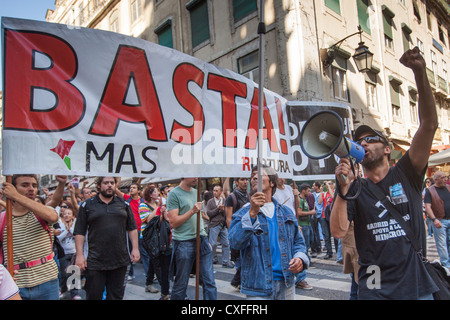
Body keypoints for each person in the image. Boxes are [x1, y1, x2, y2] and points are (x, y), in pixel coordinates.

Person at [330, 47, 439, 299]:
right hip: (376, 285)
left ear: (388, 148)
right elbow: (337, 231)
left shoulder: (407, 172)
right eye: (359, 142)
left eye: (370, 138)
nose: (364, 143)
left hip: (415, 284)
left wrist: (420, 72)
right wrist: (342, 190)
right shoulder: (355, 188)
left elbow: (429, 124)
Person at [229, 165, 309, 300]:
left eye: (259, 175)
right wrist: (252, 214)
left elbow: (298, 242)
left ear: (272, 182)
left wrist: (300, 258)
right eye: (252, 176)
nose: (254, 177)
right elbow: (235, 242)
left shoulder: (286, 213)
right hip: (258, 287)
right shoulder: (243, 213)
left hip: (286, 282)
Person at [74, 176, 140, 300]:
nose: (109, 185)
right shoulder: (87, 205)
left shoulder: (124, 204)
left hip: (120, 260)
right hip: (95, 261)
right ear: (99, 186)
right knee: (93, 296)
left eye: (112, 183)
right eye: (106, 183)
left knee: (116, 296)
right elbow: (79, 231)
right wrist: (79, 255)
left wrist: (135, 248)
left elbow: (132, 228)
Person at [0, 174, 60, 300]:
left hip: (47, 281)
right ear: (12, 188)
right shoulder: (2, 219)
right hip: (16, 286)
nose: (31, 189)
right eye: (25, 185)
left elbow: (53, 217)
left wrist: (15, 196)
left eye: (34, 185)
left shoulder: (43, 211)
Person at [166, 177, 217, 300]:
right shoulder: (174, 194)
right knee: (181, 283)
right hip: (184, 242)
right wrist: (192, 211)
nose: (196, 178)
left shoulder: (196, 192)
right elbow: (173, 223)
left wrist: (204, 236)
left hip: (201, 239)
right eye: (193, 175)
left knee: (209, 281)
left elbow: (200, 216)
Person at [115, 179, 143, 281]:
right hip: (131, 230)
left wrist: (140, 179)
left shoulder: (143, 200)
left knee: (145, 253)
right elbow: (116, 190)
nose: (131, 189)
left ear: (139, 190)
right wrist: (118, 180)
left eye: (134, 188)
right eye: (130, 188)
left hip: (142, 230)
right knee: (130, 251)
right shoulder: (127, 198)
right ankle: (130, 273)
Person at [224, 177, 249, 290]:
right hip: (237, 233)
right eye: (242, 180)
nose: (245, 182)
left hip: (247, 232)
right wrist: (232, 234)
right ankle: (238, 281)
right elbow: (229, 219)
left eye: (246, 179)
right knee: (239, 259)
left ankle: (239, 281)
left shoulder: (249, 196)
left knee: (246, 258)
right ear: (236, 182)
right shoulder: (231, 197)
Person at [57, 201, 83, 300]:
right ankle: (63, 289)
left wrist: (70, 229)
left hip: (74, 252)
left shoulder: (75, 223)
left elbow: (77, 235)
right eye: (65, 214)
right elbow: (58, 237)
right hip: (63, 253)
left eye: (69, 214)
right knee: (64, 273)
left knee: (74, 273)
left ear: (72, 216)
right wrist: (66, 231)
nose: (67, 215)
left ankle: (74, 294)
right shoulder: (60, 224)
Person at [424, 171, 450, 268]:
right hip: (440, 220)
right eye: (443, 177)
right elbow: (427, 207)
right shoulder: (430, 191)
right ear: (436, 180)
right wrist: (434, 219)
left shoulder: (448, 187)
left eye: (445, 177)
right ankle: (446, 264)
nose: (445, 179)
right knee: (442, 244)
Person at [138, 185, 161, 294]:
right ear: (151, 194)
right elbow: (148, 220)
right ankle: (164, 287)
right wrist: (158, 207)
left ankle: (148, 283)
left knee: (153, 261)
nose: (158, 194)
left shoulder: (157, 205)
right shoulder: (143, 205)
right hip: (147, 237)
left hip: (157, 236)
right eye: (156, 192)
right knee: (156, 262)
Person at [206, 185, 233, 268]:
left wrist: (223, 209)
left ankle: (225, 261)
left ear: (221, 192)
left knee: (226, 243)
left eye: (216, 190)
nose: (214, 192)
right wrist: (218, 209)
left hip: (223, 225)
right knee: (213, 244)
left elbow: (228, 212)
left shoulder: (225, 200)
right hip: (214, 224)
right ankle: (212, 258)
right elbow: (209, 213)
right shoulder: (210, 202)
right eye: (214, 190)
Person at [310, 181, 323, 258]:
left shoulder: (323, 194)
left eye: (313, 186)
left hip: (321, 214)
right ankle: (317, 246)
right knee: (315, 232)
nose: (312, 187)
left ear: (317, 187)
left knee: (324, 232)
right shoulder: (312, 195)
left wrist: (321, 192)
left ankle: (321, 247)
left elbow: (320, 202)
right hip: (314, 215)